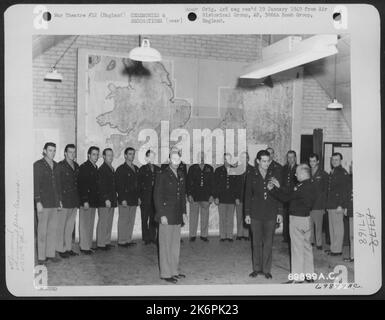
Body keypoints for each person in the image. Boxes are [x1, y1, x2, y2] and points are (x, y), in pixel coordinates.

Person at [269, 164, 316, 284]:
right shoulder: (310, 184)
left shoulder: (300, 186)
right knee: (307, 247)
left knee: (296, 249)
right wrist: (280, 187)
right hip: (307, 219)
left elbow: (286, 198)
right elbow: (291, 192)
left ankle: (297, 278)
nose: (295, 174)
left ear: (303, 173)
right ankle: (309, 275)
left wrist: (273, 190)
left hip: (297, 219)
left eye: (297, 172)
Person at [244, 150, 281, 279]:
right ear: (258, 161)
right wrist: (247, 214)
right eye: (263, 161)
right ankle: (257, 268)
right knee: (256, 242)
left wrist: (280, 212)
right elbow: (247, 195)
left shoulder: (274, 174)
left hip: (270, 213)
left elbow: (279, 195)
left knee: (268, 243)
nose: (266, 164)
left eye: (268, 161)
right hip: (255, 214)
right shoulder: (251, 174)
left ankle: (266, 270)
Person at [154, 150, 187, 284]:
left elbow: (182, 195)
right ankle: (166, 273)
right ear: (169, 160)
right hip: (166, 214)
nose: (176, 162)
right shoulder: (162, 174)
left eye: (178, 159)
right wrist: (161, 214)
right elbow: (157, 196)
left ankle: (174, 270)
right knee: (165, 244)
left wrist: (184, 212)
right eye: (173, 159)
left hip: (177, 214)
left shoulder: (180, 174)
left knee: (175, 245)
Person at [34, 142, 62, 264]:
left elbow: (58, 185)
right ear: (44, 151)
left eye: (54, 150)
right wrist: (37, 201)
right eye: (50, 150)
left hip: (54, 203)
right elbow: (35, 185)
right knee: (42, 231)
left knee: (52, 230)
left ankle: (50, 254)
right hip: (43, 204)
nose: (53, 153)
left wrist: (60, 201)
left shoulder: (56, 166)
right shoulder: (38, 165)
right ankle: (41, 257)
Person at [56, 144, 80, 258]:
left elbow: (78, 184)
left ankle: (68, 248)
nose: (72, 154)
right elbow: (57, 185)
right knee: (61, 226)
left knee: (70, 226)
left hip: (74, 200)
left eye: (74, 152)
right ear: (65, 153)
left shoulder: (76, 165)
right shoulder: (60, 166)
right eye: (70, 152)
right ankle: (60, 249)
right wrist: (59, 200)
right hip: (64, 200)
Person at [325, 153, 350, 256]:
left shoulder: (342, 173)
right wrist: (327, 205)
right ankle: (333, 248)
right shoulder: (333, 171)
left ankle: (338, 250)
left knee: (338, 228)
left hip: (337, 205)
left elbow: (345, 191)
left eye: (337, 160)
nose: (334, 161)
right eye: (333, 160)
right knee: (332, 228)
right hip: (331, 204)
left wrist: (341, 205)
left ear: (340, 161)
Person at [186, 151, 214, 242]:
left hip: (206, 196)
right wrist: (189, 194)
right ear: (197, 158)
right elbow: (188, 182)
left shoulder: (209, 168)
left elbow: (212, 183)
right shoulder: (192, 168)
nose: (201, 159)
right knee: (193, 216)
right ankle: (192, 235)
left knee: (205, 216)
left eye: (203, 157)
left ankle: (204, 235)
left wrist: (212, 195)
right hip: (194, 196)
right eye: (200, 157)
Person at [115, 147, 140, 247]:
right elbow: (119, 186)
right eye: (130, 154)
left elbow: (138, 186)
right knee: (123, 220)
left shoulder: (136, 168)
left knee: (131, 220)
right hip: (125, 199)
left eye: (133, 154)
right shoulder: (121, 169)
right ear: (125, 155)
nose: (132, 156)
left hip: (134, 199)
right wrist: (122, 199)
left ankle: (128, 239)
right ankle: (121, 240)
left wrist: (138, 197)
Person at [214, 153, 241, 242]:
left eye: (228, 159)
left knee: (230, 218)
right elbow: (216, 185)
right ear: (223, 160)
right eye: (225, 159)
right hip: (221, 198)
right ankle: (222, 236)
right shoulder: (218, 170)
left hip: (232, 197)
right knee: (222, 218)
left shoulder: (235, 170)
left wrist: (237, 197)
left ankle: (229, 236)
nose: (227, 161)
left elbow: (237, 185)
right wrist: (216, 197)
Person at [78, 146, 99, 254]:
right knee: (85, 224)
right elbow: (82, 186)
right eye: (94, 154)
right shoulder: (84, 167)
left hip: (93, 201)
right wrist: (84, 200)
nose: (96, 156)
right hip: (86, 201)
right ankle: (84, 247)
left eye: (97, 154)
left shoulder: (95, 167)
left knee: (90, 224)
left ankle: (89, 245)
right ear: (89, 155)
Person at [96, 148, 117, 250]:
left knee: (108, 222)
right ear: (103, 156)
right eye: (108, 155)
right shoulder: (102, 169)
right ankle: (100, 243)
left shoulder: (111, 168)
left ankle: (106, 241)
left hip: (111, 199)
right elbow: (101, 186)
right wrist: (106, 199)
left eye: (111, 155)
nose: (110, 157)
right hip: (105, 200)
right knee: (103, 222)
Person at [138, 150, 161, 245]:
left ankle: (152, 237)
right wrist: (138, 197)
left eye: (153, 156)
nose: (152, 158)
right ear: (146, 158)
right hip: (144, 197)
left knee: (153, 219)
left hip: (155, 198)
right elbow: (138, 184)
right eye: (150, 157)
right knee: (144, 218)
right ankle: (145, 238)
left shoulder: (158, 169)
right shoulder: (142, 169)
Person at [308, 153, 328, 250]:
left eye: (314, 161)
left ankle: (319, 243)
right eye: (310, 161)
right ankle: (311, 241)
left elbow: (325, 192)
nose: (312, 163)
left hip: (318, 205)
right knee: (309, 225)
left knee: (318, 226)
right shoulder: (307, 173)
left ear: (318, 161)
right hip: (309, 205)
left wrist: (324, 206)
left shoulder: (323, 174)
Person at [281, 150, 298, 243]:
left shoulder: (298, 168)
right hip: (285, 196)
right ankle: (286, 236)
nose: (290, 159)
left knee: (293, 217)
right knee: (285, 216)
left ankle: (293, 237)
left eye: (292, 157)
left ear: (295, 158)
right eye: (288, 157)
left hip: (294, 197)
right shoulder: (284, 168)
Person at [235, 151, 252, 241]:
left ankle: (246, 234)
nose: (244, 159)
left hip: (249, 198)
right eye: (242, 158)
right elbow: (236, 185)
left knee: (248, 216)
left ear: (248, 159)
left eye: (246, 158)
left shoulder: (253, 169)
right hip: (240, 197)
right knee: (239, 216)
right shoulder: (238, 169)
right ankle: (239, 234)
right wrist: (236, 197)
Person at [344, 164, 354, 262]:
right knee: (352, 235)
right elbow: (347, 195)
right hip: (351, 210)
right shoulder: (349, 180)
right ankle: (352, 256)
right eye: (351, 167)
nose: (351, 169)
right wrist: (346, 208)